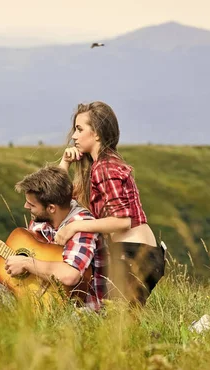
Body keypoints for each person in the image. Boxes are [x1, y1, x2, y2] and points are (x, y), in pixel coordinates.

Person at [56, 101, 165, 307]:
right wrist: (65, 164)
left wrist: (75, 226)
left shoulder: (105, 168)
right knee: (120, 322)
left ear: (96, 133)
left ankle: (196, 331)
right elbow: (58, 200)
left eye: (79, 129)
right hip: (137, 254)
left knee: (107, 318)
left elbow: (122, 221)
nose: (74, 136)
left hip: (134, 254)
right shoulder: (100, 166)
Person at [0, 166, 107, 312]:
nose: (26, 206)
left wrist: (27, 263)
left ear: (51, 208)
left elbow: (70, 275)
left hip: (71, 309)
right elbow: (11, 255)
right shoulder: (43, 219)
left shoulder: (81, 225)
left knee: (78, 317)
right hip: (30, 300)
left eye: (31, 204)